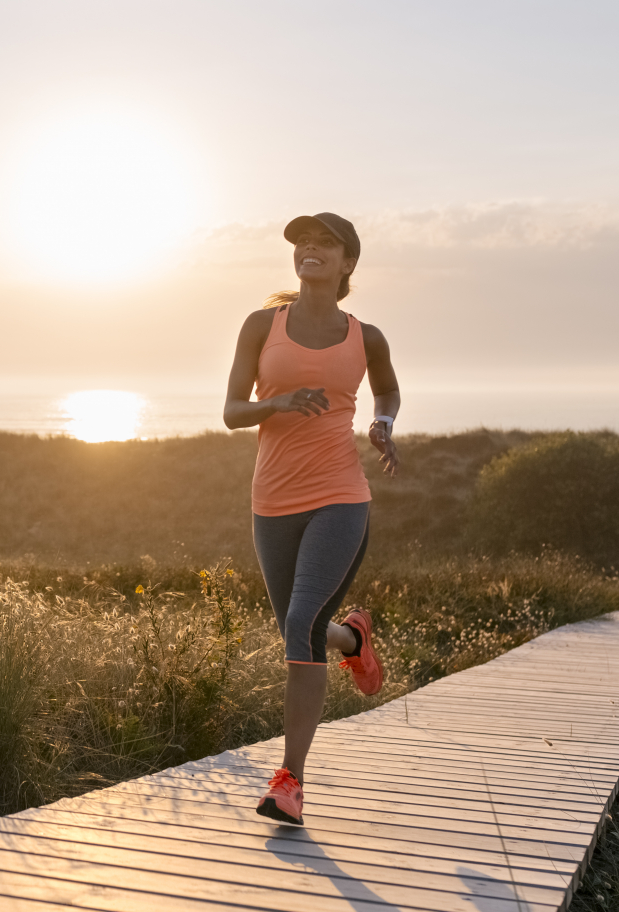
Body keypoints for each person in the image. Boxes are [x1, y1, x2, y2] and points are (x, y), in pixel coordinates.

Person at [222, 211, 401, 826]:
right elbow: (231, 410)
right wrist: (276, 402)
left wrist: (383, 425)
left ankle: (290, 782)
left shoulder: (365, 336)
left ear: (347, 262)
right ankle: (353, 639)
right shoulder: (260, 326)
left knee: (300, 620)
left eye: (324, 243)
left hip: (340, 495)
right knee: (299, 630)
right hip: (272, 501)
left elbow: (388, 390)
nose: (310, 249)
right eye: (303, 242)